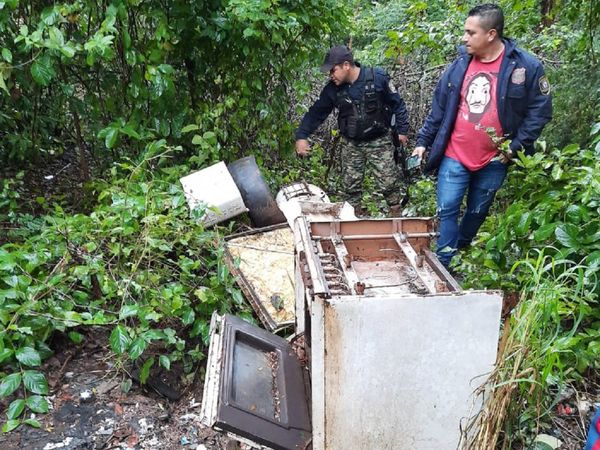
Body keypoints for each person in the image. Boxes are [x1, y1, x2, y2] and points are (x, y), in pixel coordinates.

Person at [413, 3, 552, 267]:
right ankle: (445, 263)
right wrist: (422, 142)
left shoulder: (525, 67)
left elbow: (540, 111)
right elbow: (439, 110)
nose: (464, 38)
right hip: (455, 153)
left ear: (491, 34)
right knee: (447, 208)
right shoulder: (458, 66)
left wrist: (516, 147)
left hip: (495, 158)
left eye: (470, 32)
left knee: (477, 211)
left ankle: (460, 249)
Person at [295, 45, 410, 216]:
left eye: (333, 70)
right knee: (350, 188)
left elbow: (398, 104)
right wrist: (302, 136)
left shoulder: (377, 78)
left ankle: (396, 219)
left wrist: (402, 131)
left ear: (346, 65)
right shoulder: (332, 90)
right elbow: (317, 112)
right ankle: (354, 221)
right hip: (351, 144)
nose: (331, 75)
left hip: (379, 141)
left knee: (390, 184)